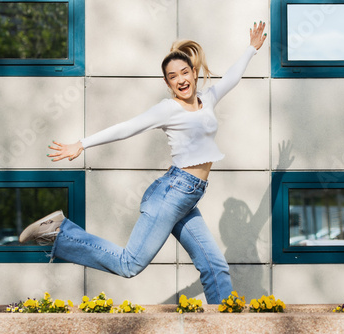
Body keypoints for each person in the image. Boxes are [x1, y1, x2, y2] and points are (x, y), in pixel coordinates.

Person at [19, 22, 267, 304]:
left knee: (215, 267)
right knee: (129, 263)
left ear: (194, 73)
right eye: (173, 76)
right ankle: (59, 232)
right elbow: (127, 127)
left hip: (188, 197)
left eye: (185, 72)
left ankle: (223, 325)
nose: (181, 79)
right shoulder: (168, 109)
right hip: (172, 194)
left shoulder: (207, 99)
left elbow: (231, 78)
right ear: (168, 83)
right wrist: (82, 144)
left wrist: (251, 49)